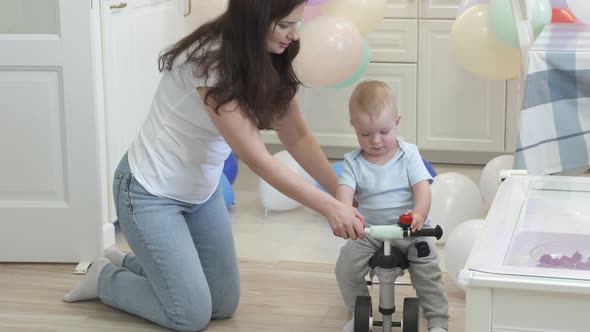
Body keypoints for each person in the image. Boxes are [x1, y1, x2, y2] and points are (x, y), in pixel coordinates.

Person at [62, 1, 365, 331]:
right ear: (256, 18)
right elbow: (256, 159)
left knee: (221, 304)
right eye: (284, 25)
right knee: (189, 315)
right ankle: (104, 277)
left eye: (297, 24)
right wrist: (329, 208)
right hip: (149, 193)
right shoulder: (208, 60)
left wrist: (339, 192)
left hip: (201, 194)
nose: (294, 35)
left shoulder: (271, 53)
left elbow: (297, 135)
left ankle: (136, 263)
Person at [334, 81, 448, 332]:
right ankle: (357, 312)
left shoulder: (408, 154)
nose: (375, 141)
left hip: (409, 230)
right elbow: (344, 191)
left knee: (427, 268)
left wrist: (419, 214)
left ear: (397, 122)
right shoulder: (353, 162)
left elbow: (422, 189)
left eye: (384, 131)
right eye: (365, 134)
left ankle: (438, 320)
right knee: (345, 264)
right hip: (370, 232)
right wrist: (344, 214)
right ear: (353, 127)